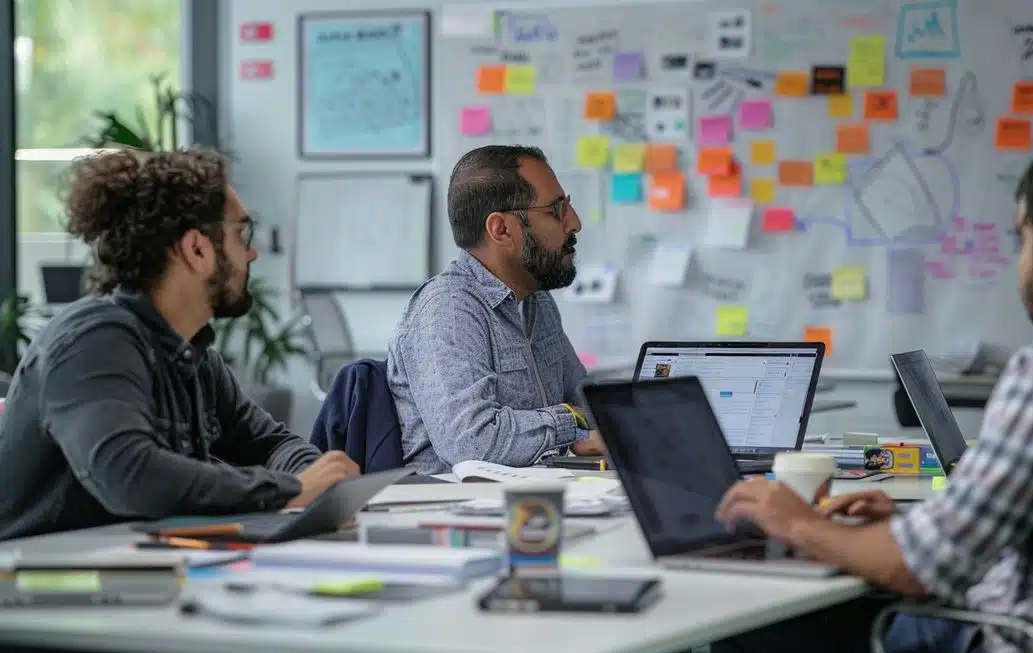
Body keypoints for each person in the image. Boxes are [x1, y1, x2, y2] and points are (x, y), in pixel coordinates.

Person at [709, 132, 1033, 653]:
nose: (1021, 265)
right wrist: (918, 520)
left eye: (1023, 241)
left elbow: (922, 570)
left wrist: (796, 522)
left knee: (747, 638)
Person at [0, 148, 359, 541]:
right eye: (241, 234)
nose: (252, 253)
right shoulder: (93, 342)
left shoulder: (192, 354)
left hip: (137, 569)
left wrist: (324, 486)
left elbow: (267, 443)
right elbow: (131, 475)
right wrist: (289, 490)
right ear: (197, 249)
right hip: (43, 583)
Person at [388, 145, 600, 475]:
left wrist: (628, 415)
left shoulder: (535, 299)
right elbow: (471, 442)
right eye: (556, 210)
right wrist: (570, 423)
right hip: (460, 509)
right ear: (501, 230)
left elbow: (583, 400)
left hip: (536, 495)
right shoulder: (449, 309)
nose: (574, 223)